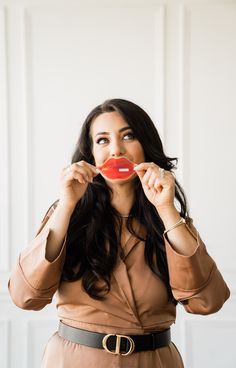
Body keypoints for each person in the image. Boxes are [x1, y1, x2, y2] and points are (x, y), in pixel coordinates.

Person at [8, 98, 230, 368]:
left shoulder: (168, 220)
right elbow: (24, 296)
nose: (116, 150)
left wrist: (167, 209)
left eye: (128, 136)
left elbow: (209, 301)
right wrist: (67, 205)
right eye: (102, 140)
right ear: (90, 154)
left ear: (145, 144)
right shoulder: (67, 214)